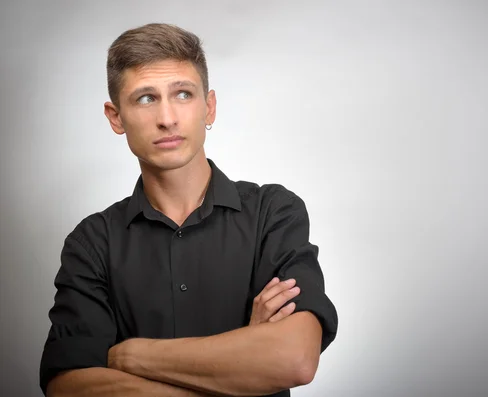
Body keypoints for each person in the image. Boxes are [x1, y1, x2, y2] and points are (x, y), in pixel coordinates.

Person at [39, 23, 338, 397]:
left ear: (208, 107)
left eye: (183, 94)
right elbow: (68, 386)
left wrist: (131, 356)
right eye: (146, 99)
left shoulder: (273, 213)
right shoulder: (92, 243)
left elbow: (294, 359)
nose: (167, 118)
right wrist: (243, 359)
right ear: (116, 117)